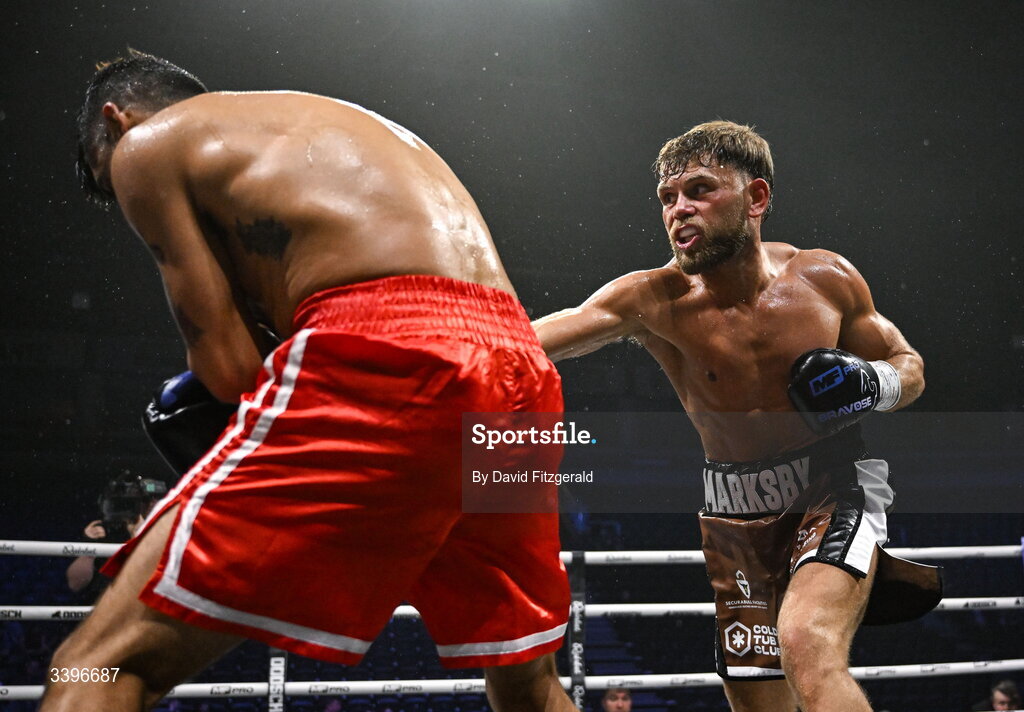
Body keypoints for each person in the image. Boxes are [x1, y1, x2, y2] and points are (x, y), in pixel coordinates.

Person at [44, 49, 574, 712]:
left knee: (94, 665)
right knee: (529, 682)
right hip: (519, 368)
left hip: (389, 352)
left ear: (117, 121)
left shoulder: (145, 145)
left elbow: (230, 367)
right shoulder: (309, 124)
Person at [532, 121, 941, 712]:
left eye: (699, 190)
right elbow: (534, 338)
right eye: (668, 198)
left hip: (831, 486)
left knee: (807, 645)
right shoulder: (652, 299)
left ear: (756, 198)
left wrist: (873, 383)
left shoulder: (824, 278)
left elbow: (909, 367)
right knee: (755, 699)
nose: (679, 210)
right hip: (732, 511)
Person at [66, 474, 167, 598]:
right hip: (106, 602)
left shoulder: (164, 531)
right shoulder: (103, 530)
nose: (152, 503)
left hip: (142, 603)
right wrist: (89, 549)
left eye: (156, 498)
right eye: (145, 500)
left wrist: (138, 539)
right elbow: (75, 584)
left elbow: (160, 581)